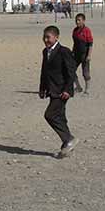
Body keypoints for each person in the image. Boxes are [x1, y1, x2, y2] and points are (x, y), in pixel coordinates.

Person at [39, 25, 78, 158]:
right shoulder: (45, 52)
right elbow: (44, 71)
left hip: (62, 90)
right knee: (60, 116)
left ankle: (68, 139)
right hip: (52, 89)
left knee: (50, 115)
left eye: (48, 37)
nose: (46, 40)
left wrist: (68, 89)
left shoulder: (64, 51)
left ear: (56, 37)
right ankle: (66, 146)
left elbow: (71, 72)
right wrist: (42, 88)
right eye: (44, 37)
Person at [71, 13, 94, 96]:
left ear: (83, 21)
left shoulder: (87, 30)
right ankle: (78, 87)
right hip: (76, 54)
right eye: (76, 20)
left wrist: (89, 55)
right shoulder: (75, 31)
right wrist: (72, 52)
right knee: (71, 70)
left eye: (79, 20)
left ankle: (87, 90)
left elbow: (90, 44)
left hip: (84, 55)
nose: (77, 22)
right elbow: (75, 43)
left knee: (85, 73)